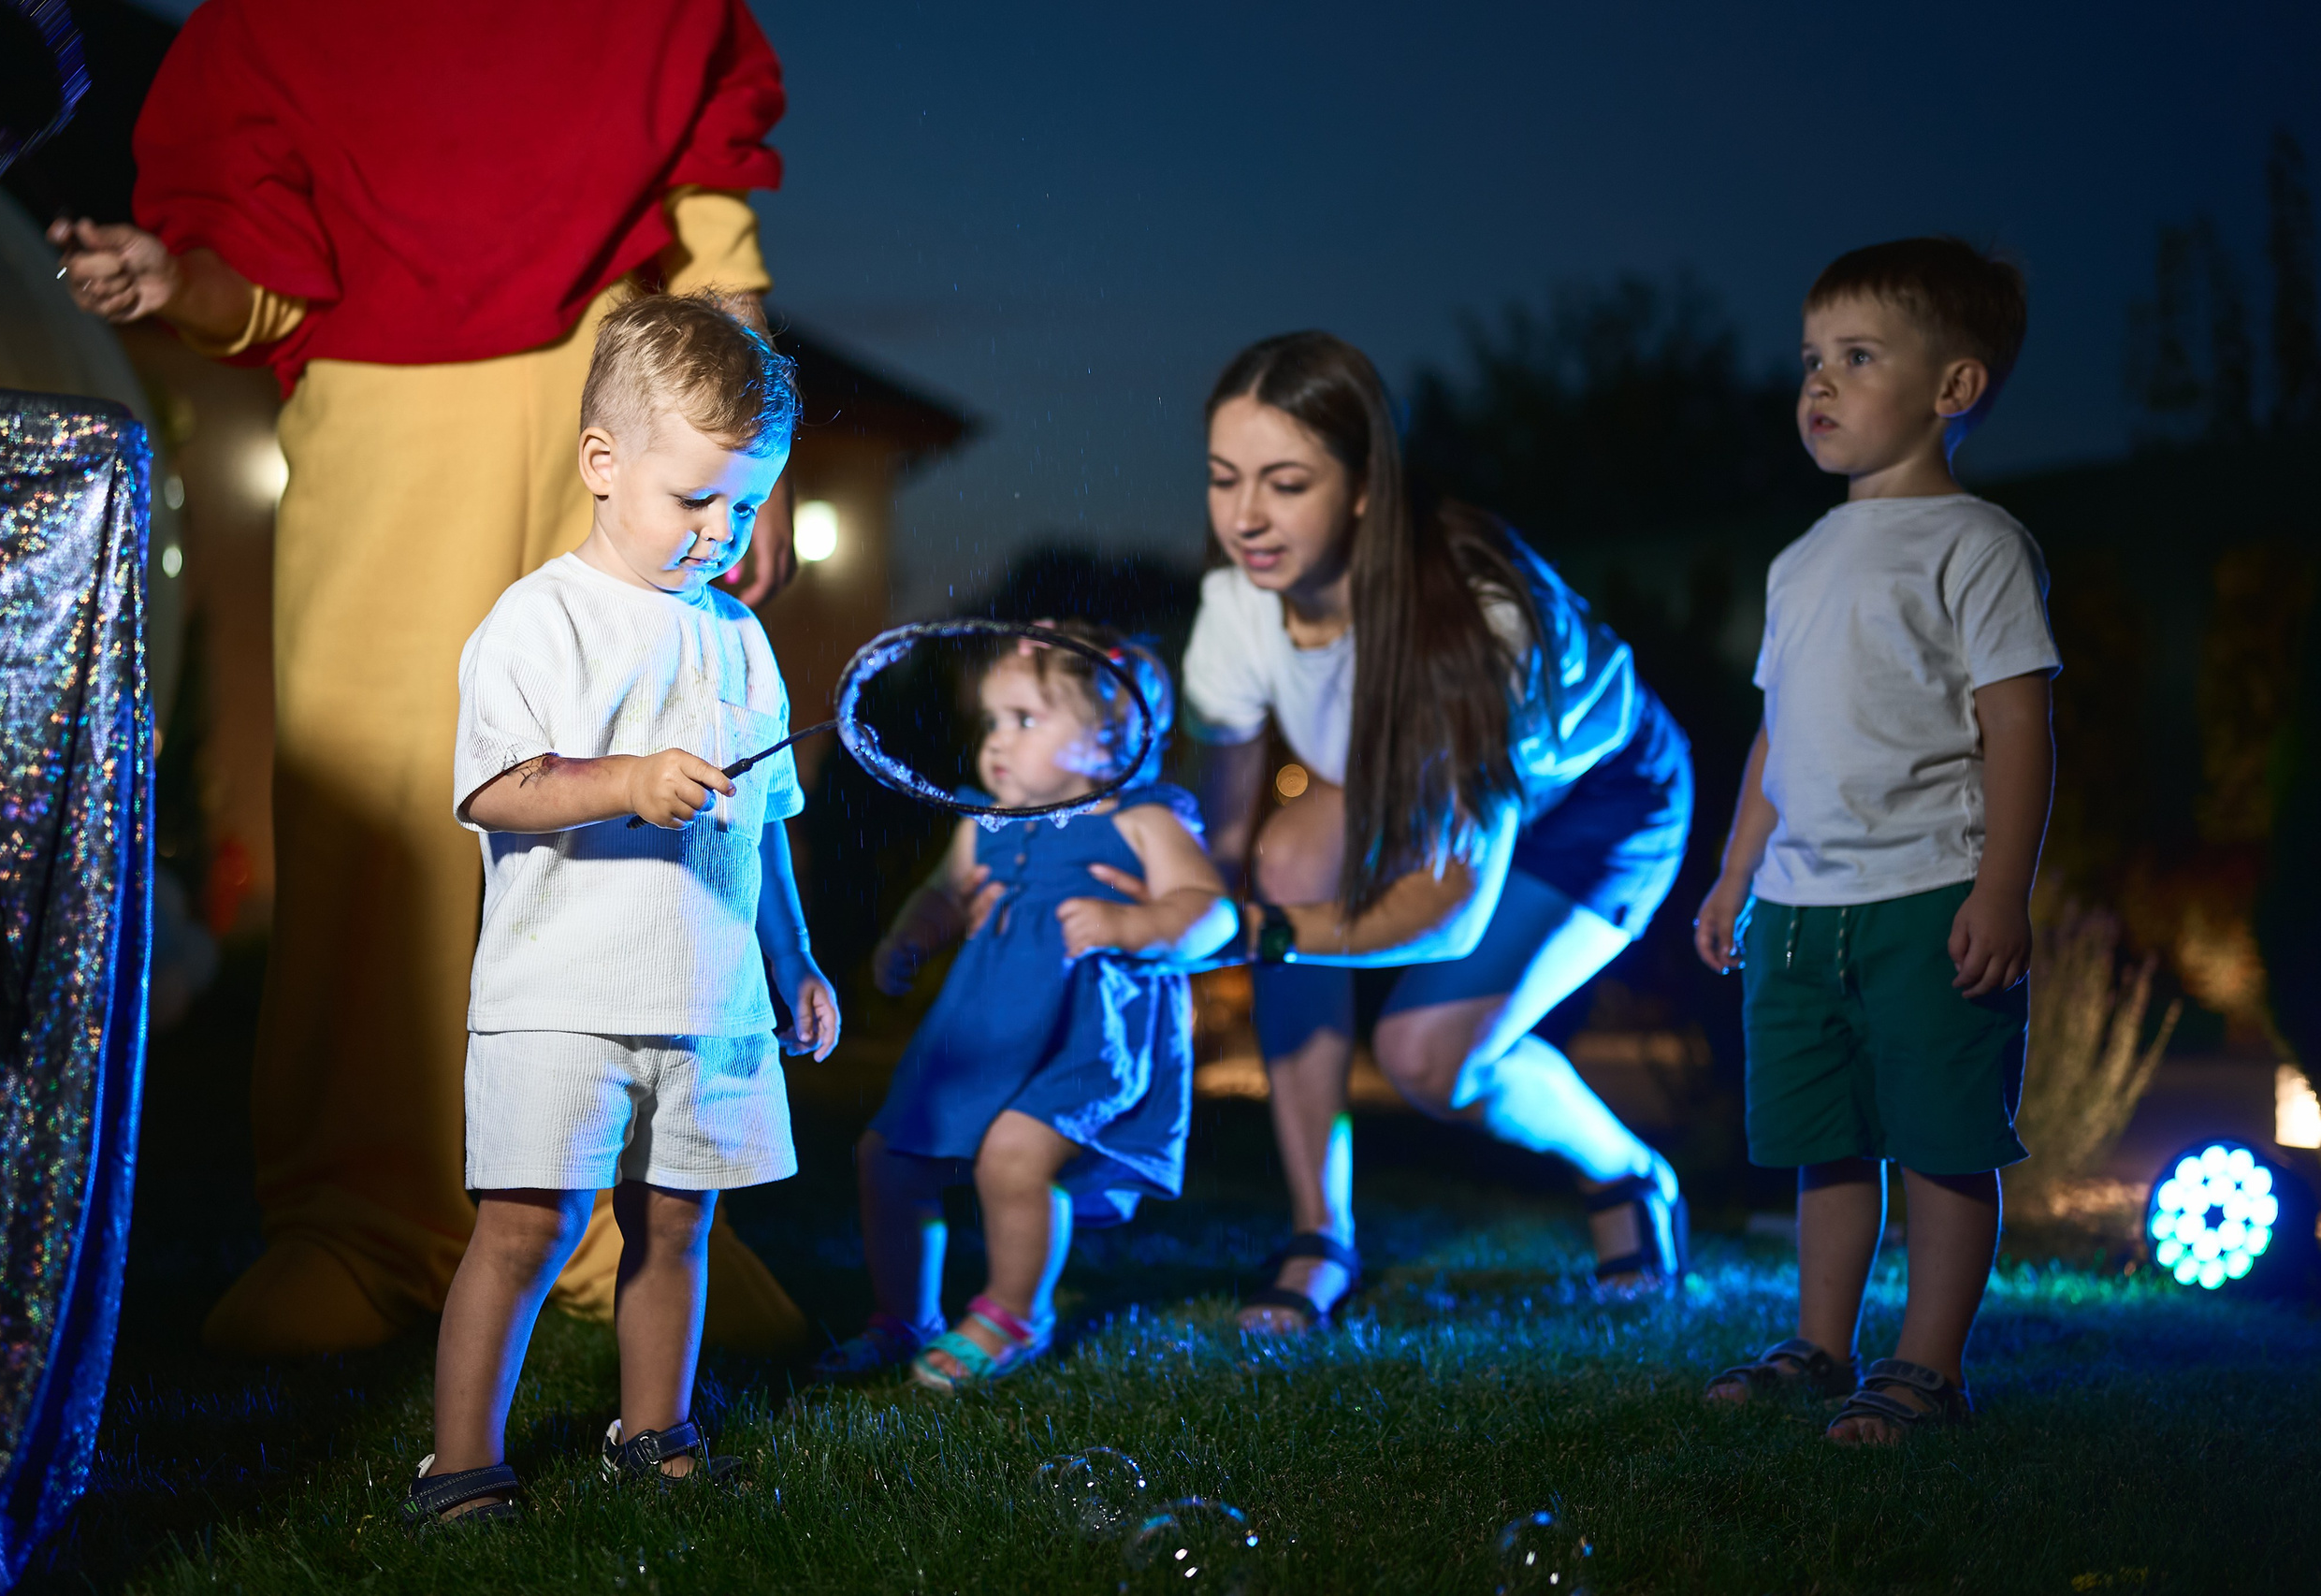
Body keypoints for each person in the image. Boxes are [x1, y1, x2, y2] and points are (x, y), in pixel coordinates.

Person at [47, 0, 808, 1355]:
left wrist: (741, 445)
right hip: (382, 412)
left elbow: (708, 198)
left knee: (660, 768)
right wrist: (178, 280)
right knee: (384, 812)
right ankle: (362, 1215)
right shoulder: (275, 25)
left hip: (618, 378)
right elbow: (263, 276)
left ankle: (644, 1216)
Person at [402, 290, 838, 1527]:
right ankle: (461, 1463)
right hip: (562, 999)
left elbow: (765, 821)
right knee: (525, 1230)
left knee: (676, 1228)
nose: (718, 529)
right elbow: (493, 786)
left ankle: (656, 1434)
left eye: (745, 504)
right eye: (693, 497)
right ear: (603, 463)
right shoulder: (539, 619)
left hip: (703, 996)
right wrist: (629, 782)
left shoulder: (742, 639)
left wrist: (792, 958)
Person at [1182, 331, 1696, 1333]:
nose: (1245, 518)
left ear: (1367, 486)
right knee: (1284, 858)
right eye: (1222, 478)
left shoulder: (1481, 618)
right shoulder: (1235, 607)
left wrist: (1255, 935)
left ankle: (1630, 1174)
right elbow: (1231, 824)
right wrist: (1189, 910)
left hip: (1605, 807)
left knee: (1428, 1058)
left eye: (1284, 483)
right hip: (1418, 787)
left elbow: (1447, 911)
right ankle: (1317, 1230)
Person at [1694, 239, 2055, 1444]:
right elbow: (1772, 736)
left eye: (1856, 358)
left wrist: (2001, 886)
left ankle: (1928, 1366)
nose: (1819, 386)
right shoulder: (1799, 561)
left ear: (1953, 388)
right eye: (1810, 360)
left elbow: (2018, 724)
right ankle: (1820, 1341)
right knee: (1825, 1141)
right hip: (1799, 908)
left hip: (1926, 892)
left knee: (1943, 1142)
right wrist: (1735, 874)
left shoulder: (1976, 542)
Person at [817, 624, 1235, 1389]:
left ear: (1109, 742)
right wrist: (914, 935)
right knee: (890, 1159)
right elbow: (948, 893)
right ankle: (902, 1315)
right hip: (981, 1026)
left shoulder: (1143, 819)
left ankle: (1015, 1313)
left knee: (1015, 1156)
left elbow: (1212, 911)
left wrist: (1134, 925)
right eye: (992, 722)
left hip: (1086, 1031)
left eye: (1025, 721)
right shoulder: (986, 818)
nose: (997, 743)